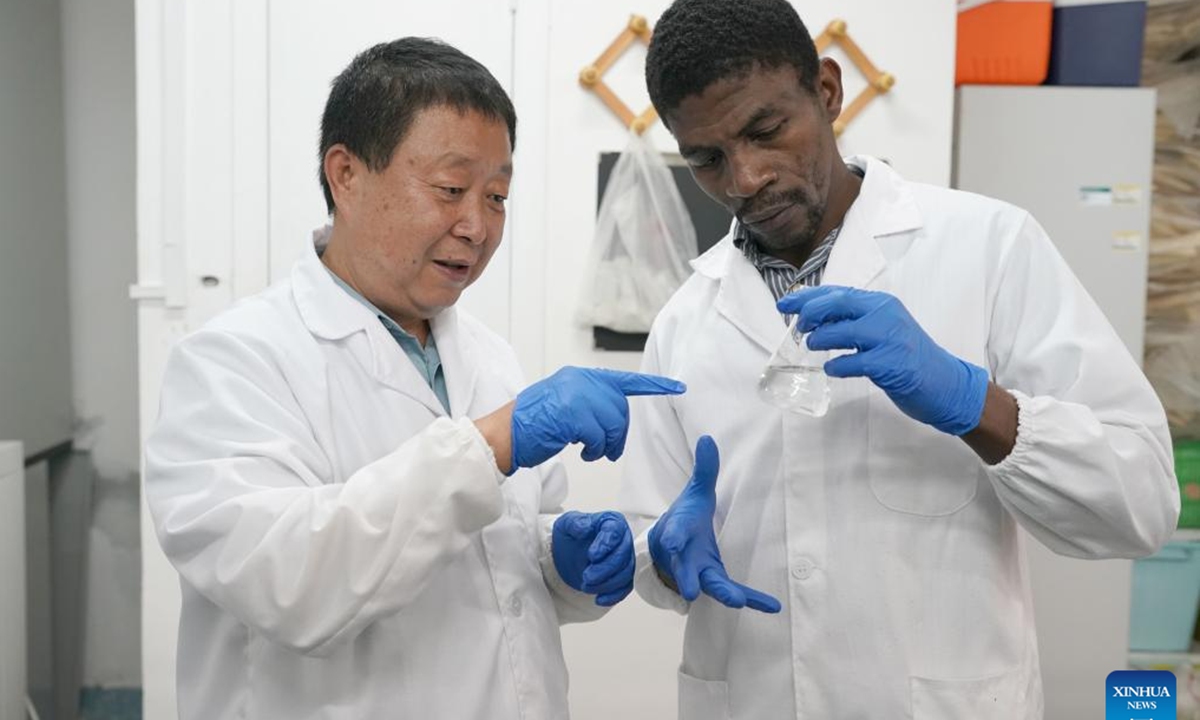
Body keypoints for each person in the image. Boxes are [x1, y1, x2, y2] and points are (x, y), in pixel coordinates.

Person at [617, 1, 1181, 718]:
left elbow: (1142, 507)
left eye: (767, 131)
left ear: (826, 90)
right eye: (706, 158)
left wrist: (975, 403)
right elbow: (654, 549)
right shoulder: (683, 323)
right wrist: (660, 554)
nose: (745, 178)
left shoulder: (989, 248)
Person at [144, 37, 683, 720]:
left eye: (496, 197)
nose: (477, 226)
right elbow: (287, 583)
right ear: (345, 174)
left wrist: (562, 560)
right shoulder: (231, 364)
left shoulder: (488, 359)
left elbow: (495, 562)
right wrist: (490, 446)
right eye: (452, 190)